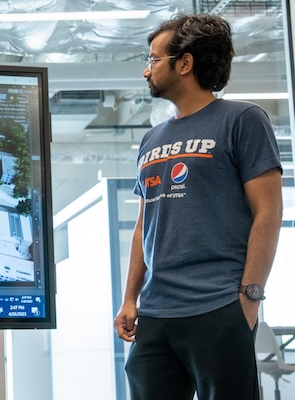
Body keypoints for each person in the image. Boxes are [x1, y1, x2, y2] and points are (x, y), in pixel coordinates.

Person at [113, 14, 283, 400]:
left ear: (184, 63)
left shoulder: (242, 120)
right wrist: (130, 298)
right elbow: (145, 225)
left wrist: (249, 298)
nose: (146, 70)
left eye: (154, 59)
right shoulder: (152, 139)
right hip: (156, 312)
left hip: (219, 306)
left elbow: (269, 213)